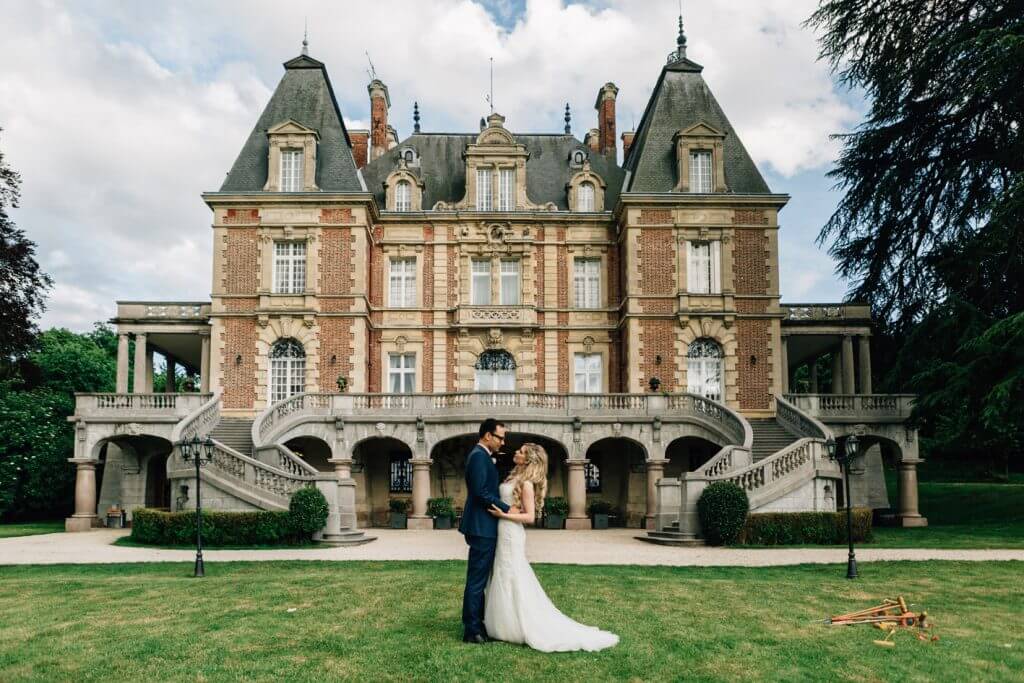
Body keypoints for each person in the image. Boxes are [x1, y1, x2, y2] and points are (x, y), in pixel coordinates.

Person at [485, 442, 619, 652]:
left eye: (520, 451)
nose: (516, 453)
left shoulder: (527, 484)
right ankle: (501, 622)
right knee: (501, 571)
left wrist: (503, 515)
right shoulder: (514, 477)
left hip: (511, 532)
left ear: (528, 459)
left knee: (512, 572)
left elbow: (530, 517)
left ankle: (518, 624)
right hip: (502, 530)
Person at [458, 418, 510, 644]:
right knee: (477, 580)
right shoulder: (479, 456)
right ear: (488, 435)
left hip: (483, 525)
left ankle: (477, 623)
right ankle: (472, 630)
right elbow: (480, 493)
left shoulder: (482, 456)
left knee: (479, 578)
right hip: (481, 526)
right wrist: (509, 508)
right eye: (500, 438)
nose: (503, 442)